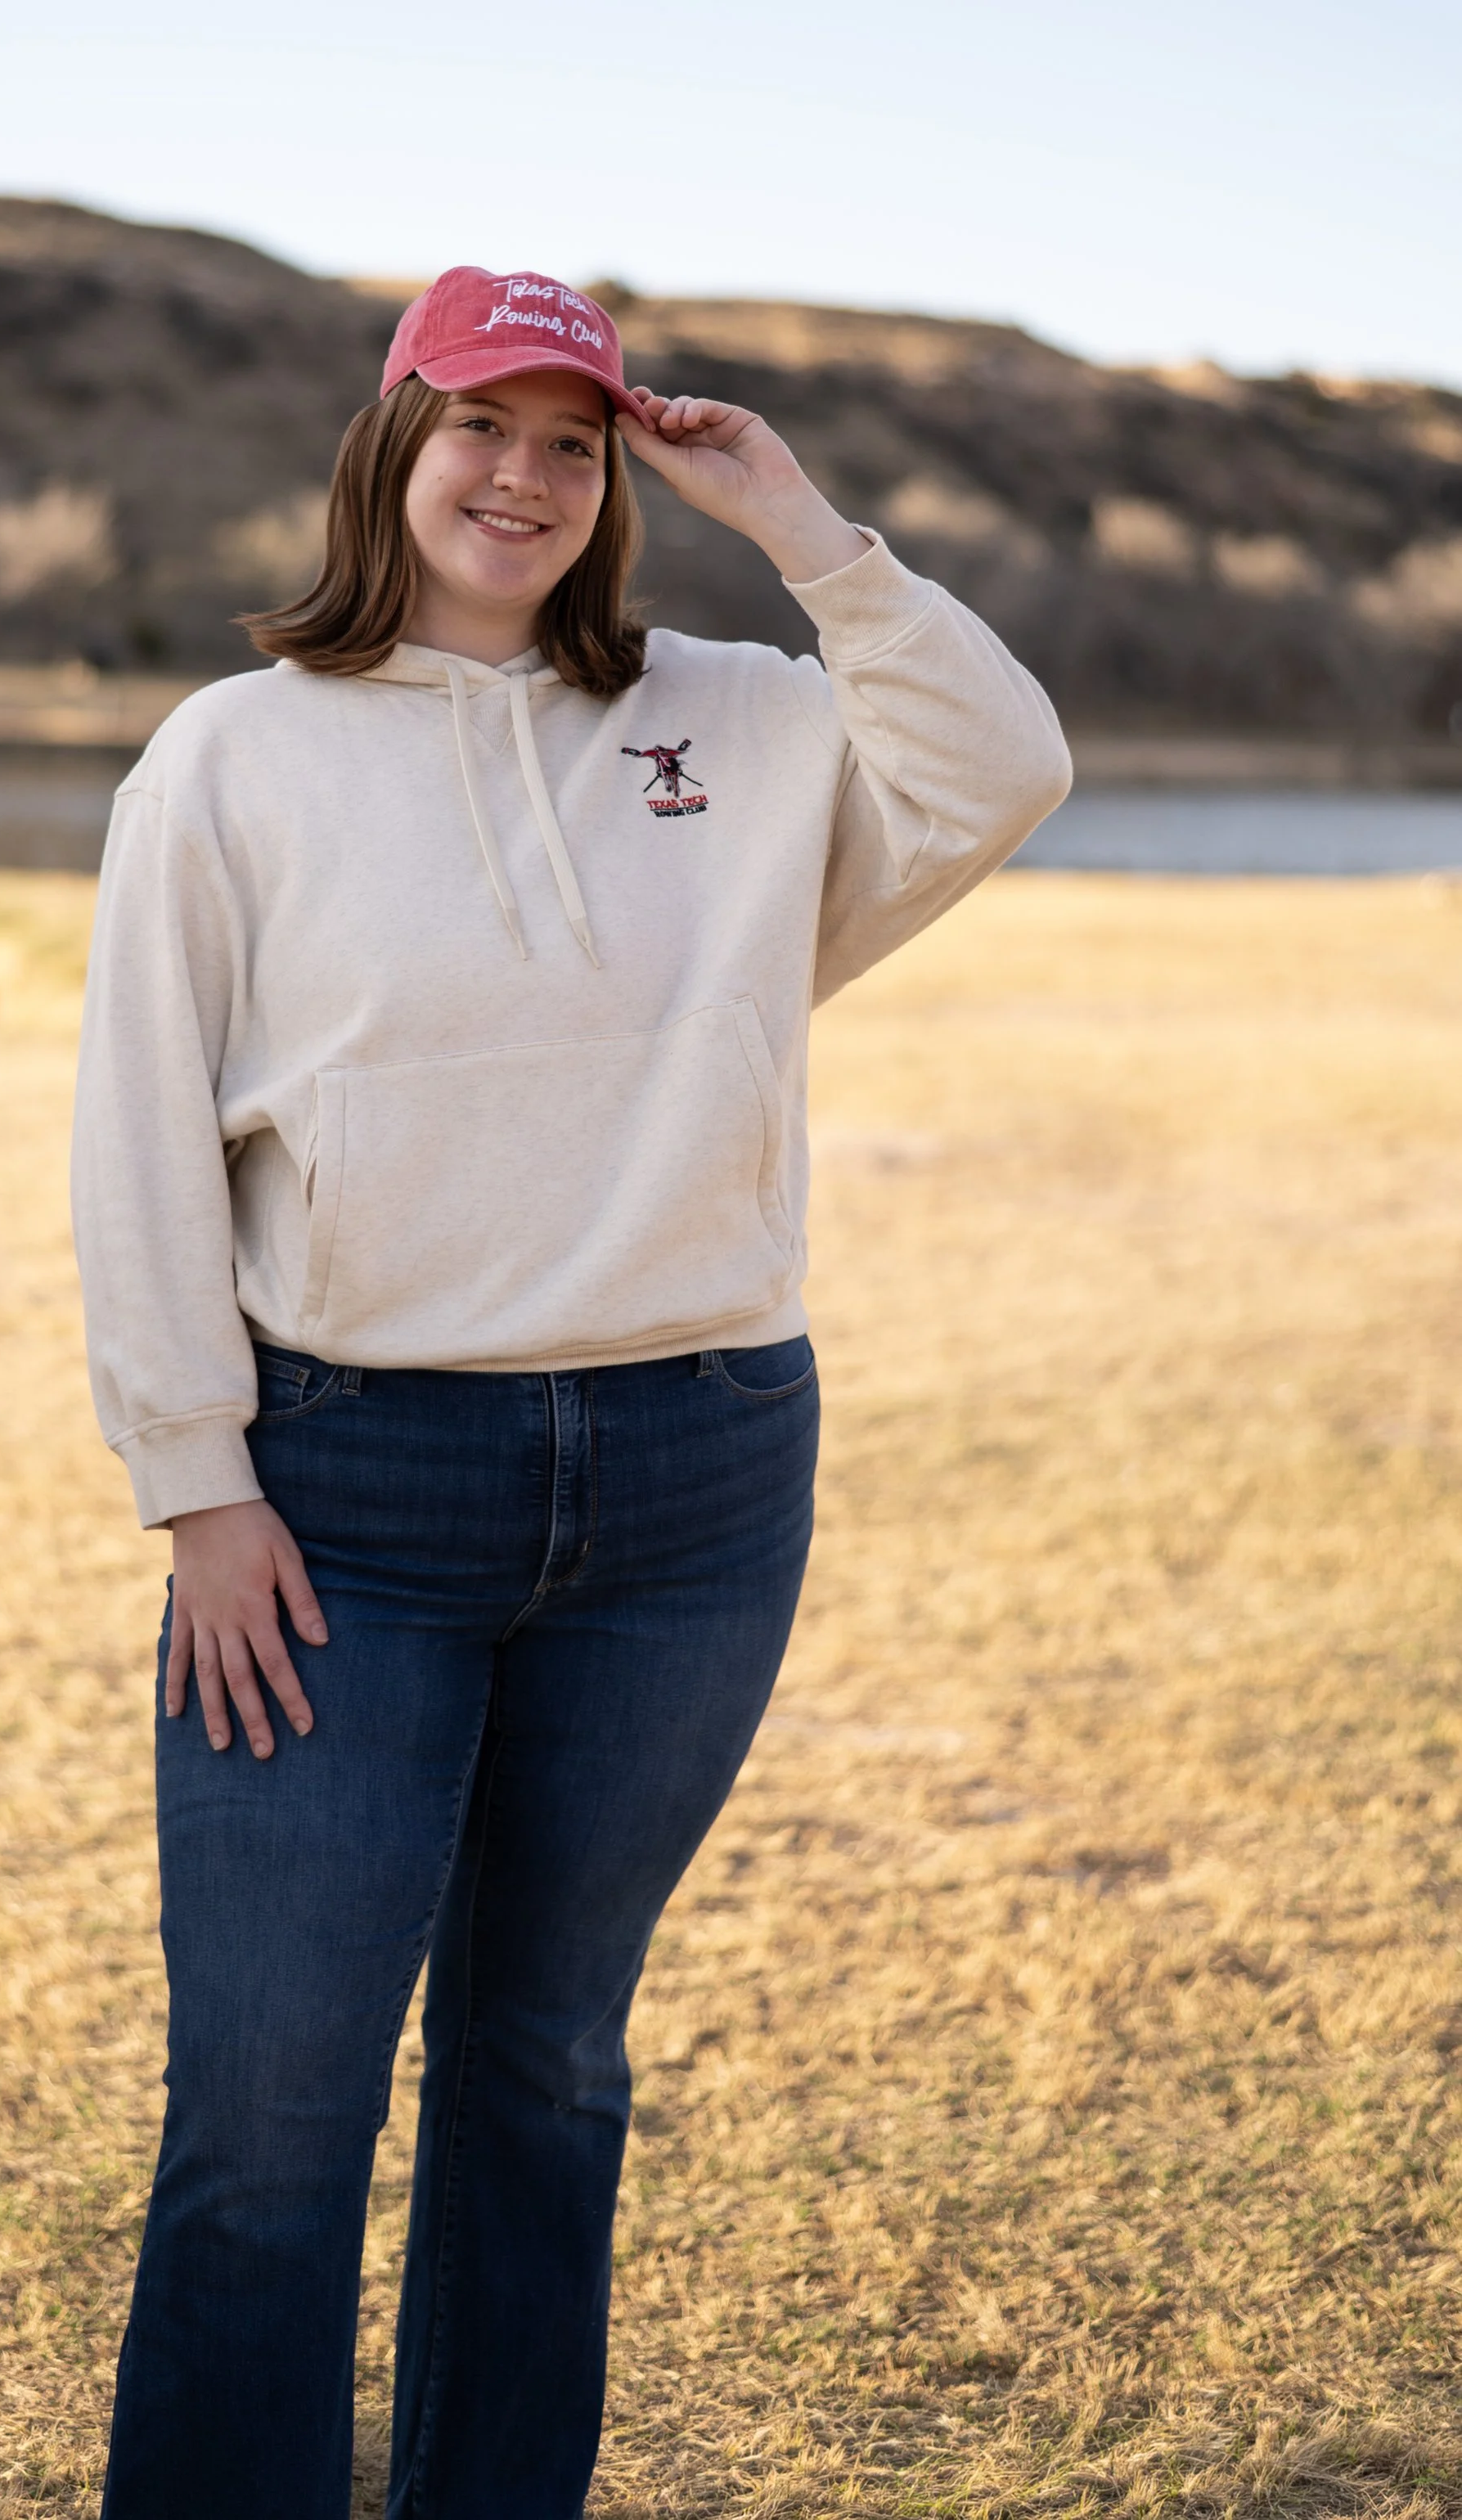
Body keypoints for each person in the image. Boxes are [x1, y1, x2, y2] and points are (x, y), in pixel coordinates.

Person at [72, 264, 1071, 2520]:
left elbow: (1006, 762)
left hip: (690, 1483)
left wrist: (799, 521)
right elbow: (133, 1128)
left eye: (572, 441)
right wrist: (194, 1479)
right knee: (273, 2109)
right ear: (390, 443)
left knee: (544, 2073)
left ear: (616, 477)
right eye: (478, 427)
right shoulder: (234, 755)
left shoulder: (741, 721)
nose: (519, 477)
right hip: (346, 1495)